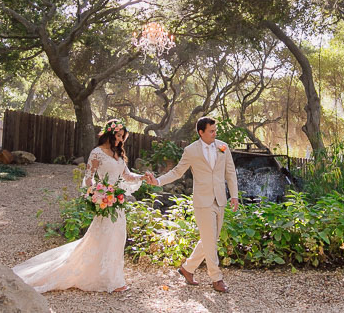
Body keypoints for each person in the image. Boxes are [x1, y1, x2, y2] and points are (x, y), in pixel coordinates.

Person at [13, 120, 143, 293]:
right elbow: (89, 177)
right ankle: (111, 280)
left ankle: (112, 276)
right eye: (118, 136)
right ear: (110, 134)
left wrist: (142, 177)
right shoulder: (97, 153)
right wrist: (96, 194)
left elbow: (127, 175)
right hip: (104, 201)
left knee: (117, 236)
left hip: (117, 202)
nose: (120, 140)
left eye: (122, 137)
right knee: (106, 235)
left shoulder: (118, 154)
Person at [145, 116, 238, 293]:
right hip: (202, 201)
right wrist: (157, 181)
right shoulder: (191, 150)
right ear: (201, 132)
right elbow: (177, 172)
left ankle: (187, 269)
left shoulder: (223, 146)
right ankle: (216, 278)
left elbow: (230, 172)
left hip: (220, 199)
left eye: (215, 130)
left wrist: (234, 195)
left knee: (211, 239)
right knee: (210, 240)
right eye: (211, 131)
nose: (214, 133)